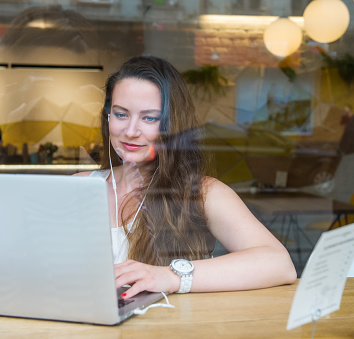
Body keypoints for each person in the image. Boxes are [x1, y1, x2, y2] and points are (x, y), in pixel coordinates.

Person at [74, 56, 297, 299]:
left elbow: (279, 264)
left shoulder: (203, 193)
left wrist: (171, 276)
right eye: (121, 114)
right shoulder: (78, 187)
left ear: (173, 125)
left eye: (149, 118)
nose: (130, 131)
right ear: (108, 117)